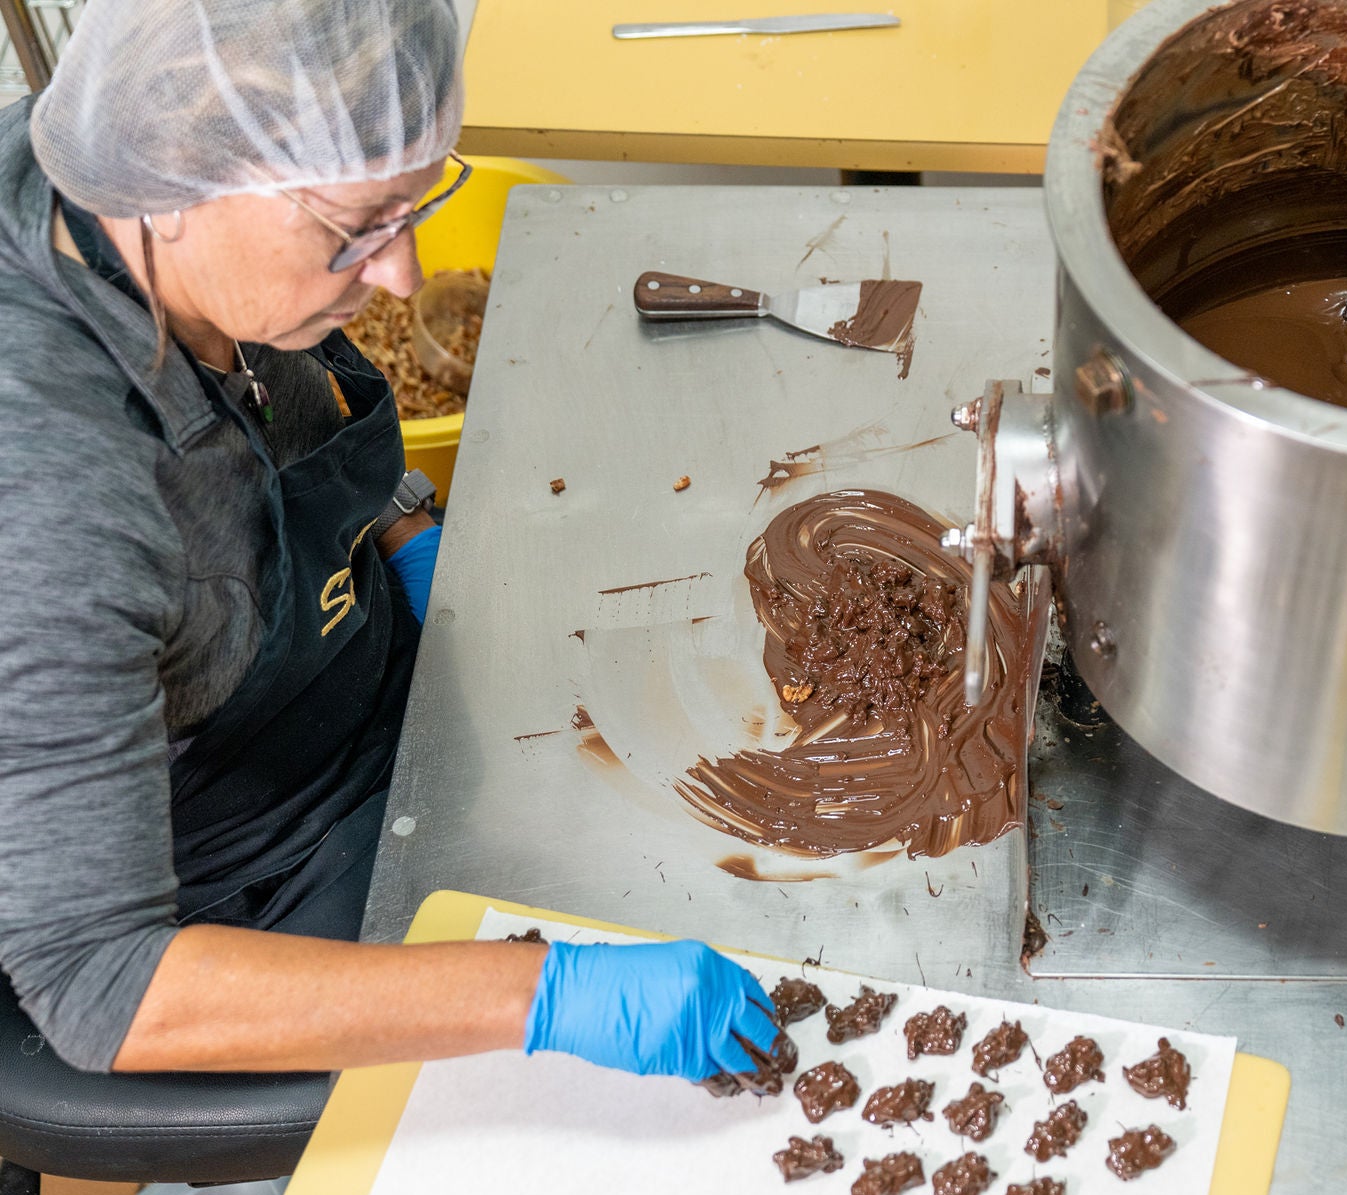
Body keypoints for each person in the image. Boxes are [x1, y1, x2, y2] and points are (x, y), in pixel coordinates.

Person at [0, 0, 782, 1085]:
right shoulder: (50, 496)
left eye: (410, 207)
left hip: (362, 682)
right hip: (244, 867)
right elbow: (102, 985)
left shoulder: (174, 169)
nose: (404, 275)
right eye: (356, 232)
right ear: (182, 185)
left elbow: (290, 437)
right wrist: (540, 995)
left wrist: (406, 531)